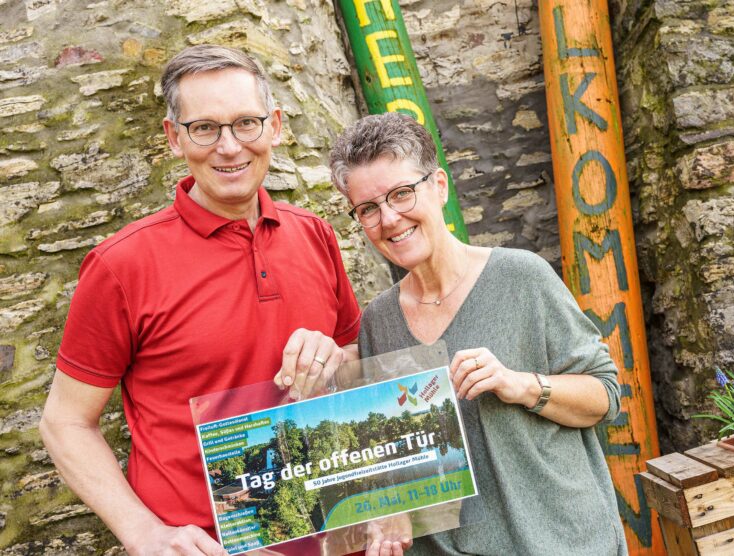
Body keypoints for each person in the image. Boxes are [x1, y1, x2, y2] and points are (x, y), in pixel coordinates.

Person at [39, 45, 361, 555]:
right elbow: (65, 422)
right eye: (205, 128)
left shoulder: (315, 236)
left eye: (245, 124)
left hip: (338, 537)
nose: (229, 147)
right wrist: (143, 532)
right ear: (174, 138)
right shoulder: (122, 265)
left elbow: (354, 365)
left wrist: (334, 358)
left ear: (274, 126)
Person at [328, 112, 627, 556]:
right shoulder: (379, 320)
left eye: (402, 194)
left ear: (440, 187)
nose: (389, 218)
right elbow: (394, 458)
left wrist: (521, 384)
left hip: (562, 542)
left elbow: (606, 396)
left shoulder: (522, 276)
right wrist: (384, 503)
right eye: (368, 209)